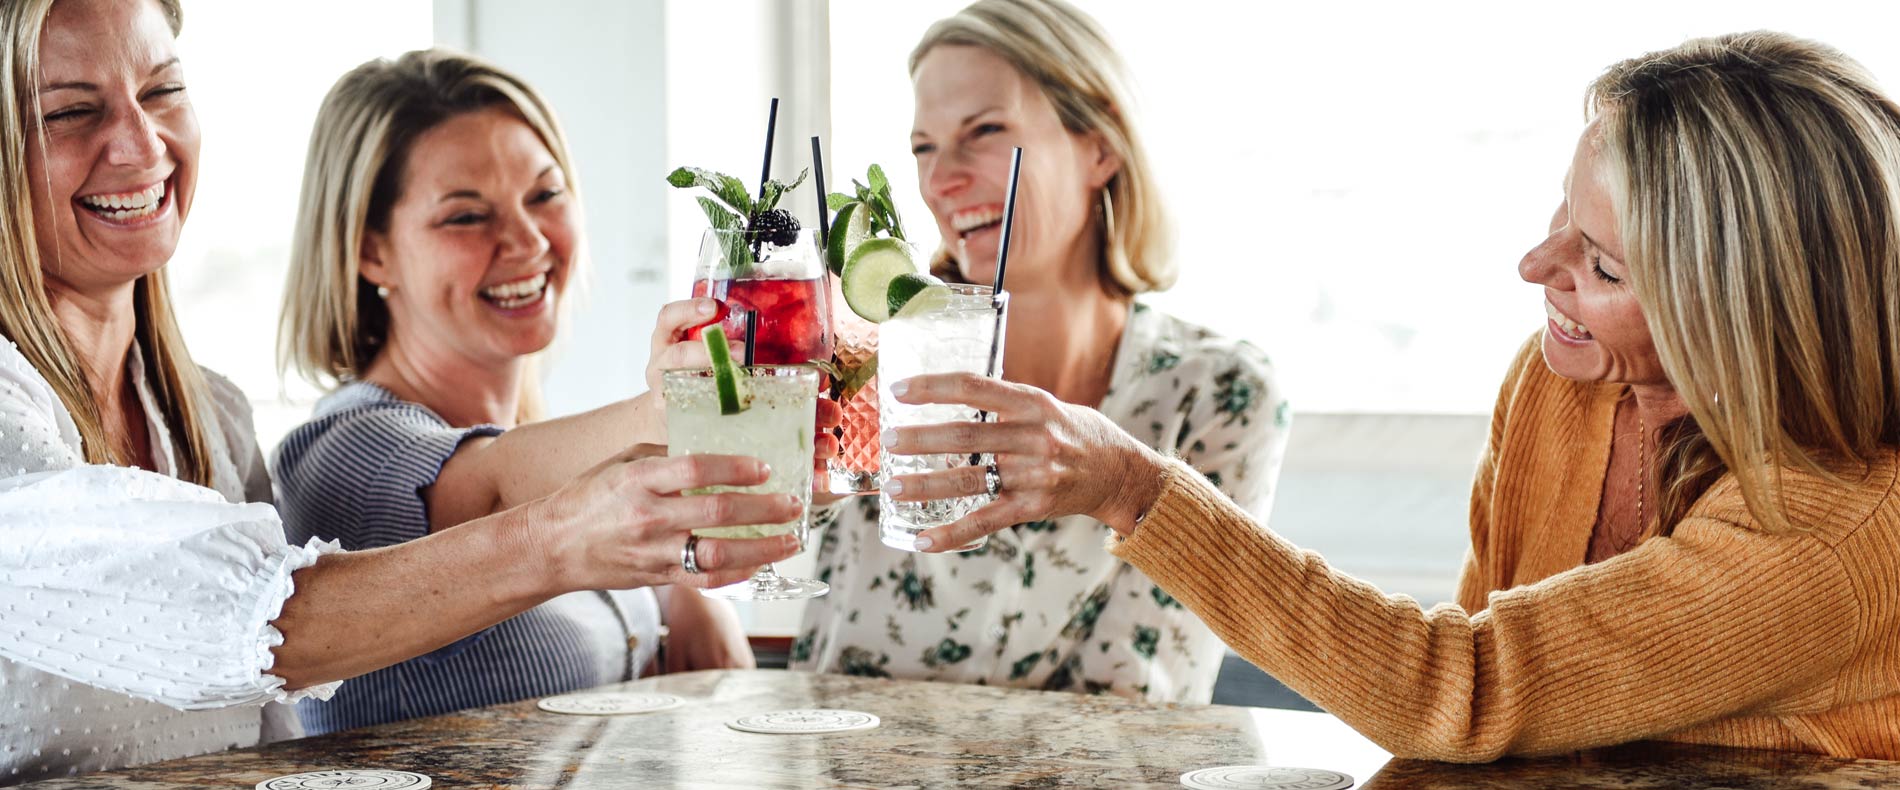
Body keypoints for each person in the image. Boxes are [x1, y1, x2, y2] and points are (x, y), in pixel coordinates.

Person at [883, 31, 1900, 761]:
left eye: (1598, 261)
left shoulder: (1836, 525)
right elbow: (1475, 724)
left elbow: (1462, 687)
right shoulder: (1566, 384)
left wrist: (1138, 490)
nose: (1532, 265)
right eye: (1560, 213)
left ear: (1732, 319)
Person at [0, 0, 800, 781]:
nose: (142, 145)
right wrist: (640, 449)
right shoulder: (342, 444)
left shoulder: (210, 415)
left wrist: (681, 577)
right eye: (69, 112)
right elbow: (240, 616)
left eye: (164, 91)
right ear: (369, 250)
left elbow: (267, 738)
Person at [272, 49, 831, 735]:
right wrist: (674, 412)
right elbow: (496, 491)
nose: (529, 240)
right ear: (370, 251)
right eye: (466, 216)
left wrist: (684, 595)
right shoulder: (346, 450)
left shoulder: (543, 439)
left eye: (545, 195)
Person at [792, 0, 1289, 704]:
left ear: (1100, 146)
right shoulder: (873, 348)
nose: (941, 181)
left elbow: (1142, 710)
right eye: (923, 147)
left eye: (984, 131)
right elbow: (753, 520)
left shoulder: (1218, 395)